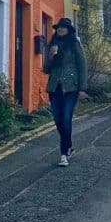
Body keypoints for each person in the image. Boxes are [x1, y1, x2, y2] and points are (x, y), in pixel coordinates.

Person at [43, 17, 88, 167]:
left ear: (69, 30)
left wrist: (82, 88)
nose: (60, 29)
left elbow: (82, 66)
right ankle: (69, 145)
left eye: (64, 27)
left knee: (66, 119)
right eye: (59, 27)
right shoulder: (52, 45)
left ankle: (64, 154)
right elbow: (46, 69)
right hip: (55, 87)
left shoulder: (74, 44)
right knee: (58, 120)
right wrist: (51, 56)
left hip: (71, 87)